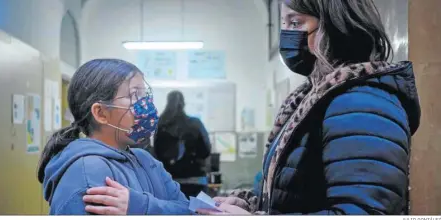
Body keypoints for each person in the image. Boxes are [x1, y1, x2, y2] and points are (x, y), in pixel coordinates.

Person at [199, 0, 420, 215]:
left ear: (337, 26)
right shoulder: (315, 97)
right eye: (283, 24)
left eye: (295, 23)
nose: (286, 34)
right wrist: (248, 205)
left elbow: (362, 211)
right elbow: (289, 194)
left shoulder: (364, 103)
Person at [37, 59, 190, 215]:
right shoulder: (88, 171)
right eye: (134, 95)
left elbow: (190, 211)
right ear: (101, 113)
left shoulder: (146, 161)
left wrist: (141, 206)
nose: (146, 105)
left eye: (145, 96)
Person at [153, 91, 212, 197]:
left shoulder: (161, 126)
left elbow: (156, 155)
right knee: (197, 212)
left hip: (170, 184)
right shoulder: (195, 124)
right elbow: (206, 151)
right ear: (184, 104)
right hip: (196, 183)